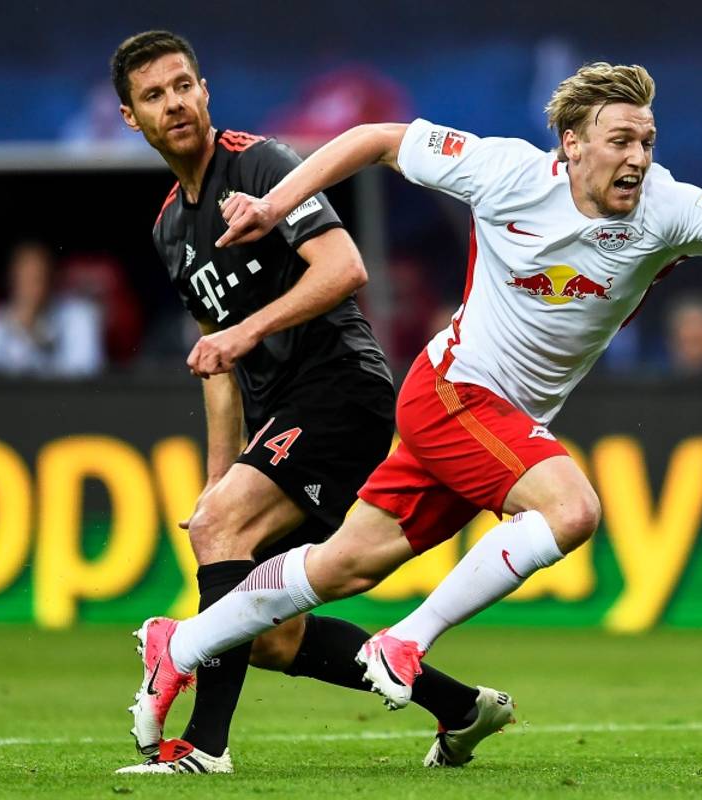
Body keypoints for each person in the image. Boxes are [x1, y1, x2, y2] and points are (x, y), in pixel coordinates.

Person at [130, 61, 702, 738]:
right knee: (572, 510)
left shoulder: (668, 208)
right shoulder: (506, 172)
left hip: (504, 424)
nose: (637, 157)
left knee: (342, 566)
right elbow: (375, 139)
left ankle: (181, 643)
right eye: (620, 140)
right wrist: (274, 206)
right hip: (451, 390)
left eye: (646, 141)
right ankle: (406, 640)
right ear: (573, 144)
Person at [110, 30, 511, 775]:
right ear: (131, 117)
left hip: (340, 388)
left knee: (228, 537)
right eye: (155, 95)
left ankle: (202, 747)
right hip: (278, 415)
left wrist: (248, 332)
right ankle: (460, 707)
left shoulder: (260, 164)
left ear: (205, 89)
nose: (175, 104)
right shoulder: (170, 229)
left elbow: (344, 268)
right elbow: (218, 365)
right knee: (268, 636)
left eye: (184, 85)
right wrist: (217, 483)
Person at [0, 241, 103, 377]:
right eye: (26, 279)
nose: (33, 287)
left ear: (51, 279)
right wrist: (16, 328)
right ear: (13, 280)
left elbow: (85, 369)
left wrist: (35, 336)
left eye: (38, 278)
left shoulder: (79, 316)